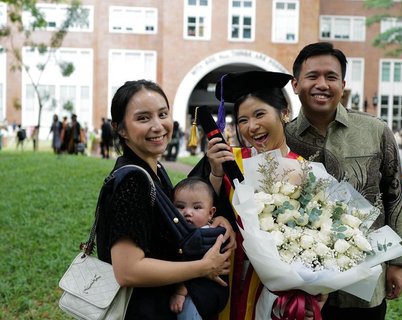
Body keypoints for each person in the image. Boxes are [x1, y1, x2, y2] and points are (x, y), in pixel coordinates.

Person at [284, 42, 402, 320]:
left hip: (365, 280)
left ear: (342, 84)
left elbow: (395, 196)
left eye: (330, 77)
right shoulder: (283, 138)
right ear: (295, 84)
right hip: (303, 284)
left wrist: (397, 262)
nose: (322, 84)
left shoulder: (375, 131)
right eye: (312, 76)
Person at [191, 70, 327, 319]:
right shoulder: (228, 160)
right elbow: (194, 211)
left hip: (277, 295)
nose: (251, 126)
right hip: (224, 279)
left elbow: (322, 242)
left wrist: (317, 294)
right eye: (242, 120)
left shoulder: (307, 171)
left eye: (260, 114)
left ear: (284, 112)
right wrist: (216, 175)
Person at [95, 79, 235, 319]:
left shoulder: (153, 170)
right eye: (143, 118)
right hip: (143, 310)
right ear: (120, 129)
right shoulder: (132, 182)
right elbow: (128, 270)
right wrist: (202, 268)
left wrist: (216, 215)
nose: (158, 126)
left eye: (163, 114)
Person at [170, 177, 229, 320]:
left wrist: (180, 291)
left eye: (196, 208)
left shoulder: (203, 237)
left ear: (211, 213)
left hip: (196, 297)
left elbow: (189, 260)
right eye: (180, 206)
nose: (187, 212)